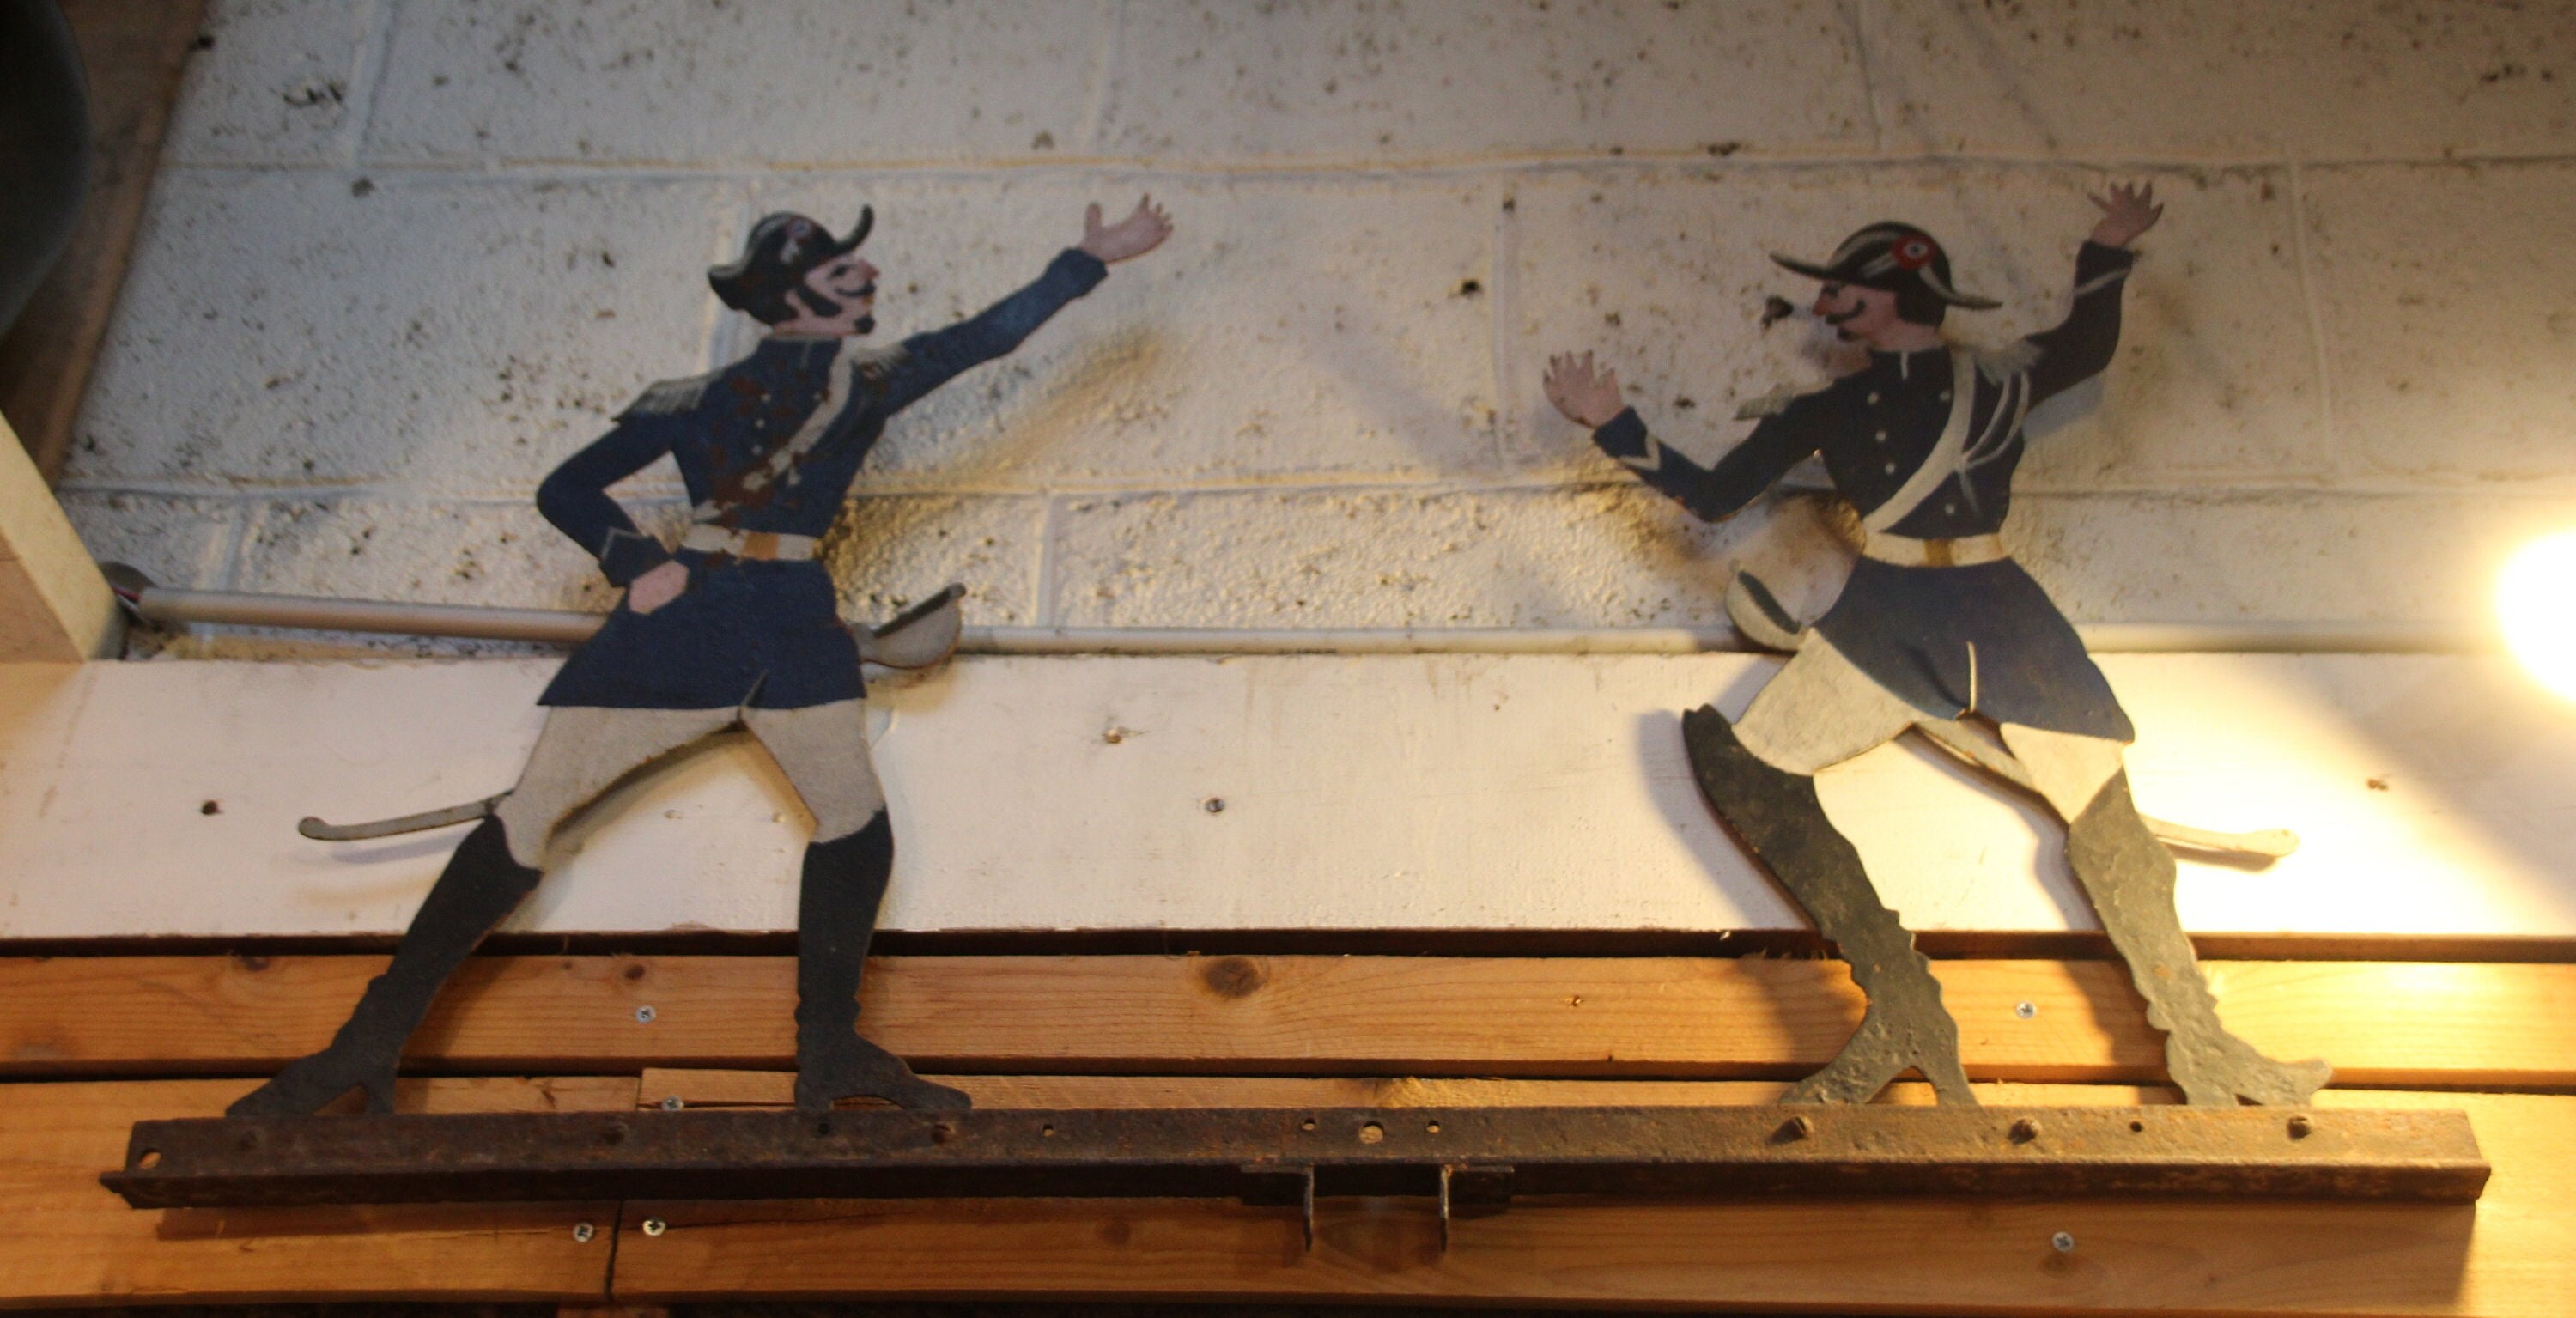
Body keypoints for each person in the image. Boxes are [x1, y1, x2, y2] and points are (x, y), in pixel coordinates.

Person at [232, 196, 1175, 1116]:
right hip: (687, 619)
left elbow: (984, 338)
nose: (870, 275)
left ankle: (829, 1052)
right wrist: (634, 559)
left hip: (794, 622)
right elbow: (568, 487)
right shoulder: (697, 401)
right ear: (796, 297)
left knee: (856, 820)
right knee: (529, 817)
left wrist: (1085, 261)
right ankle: (365, 1045)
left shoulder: (866, 383)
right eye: (846, 270)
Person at [1542, 185, 2327, 1107]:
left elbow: (2085, 346)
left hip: (2003, 615)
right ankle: (1904, 1007)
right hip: (1890, 608)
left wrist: (2106, 251)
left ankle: (2202, 1045)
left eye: (1849, 291)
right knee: (1747, 768)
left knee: (2110, 824)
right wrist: (1614, 424)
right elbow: (1716, 496)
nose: (1831, 308)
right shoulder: (1827, 408)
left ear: (1897, 296)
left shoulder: (1995, 378)